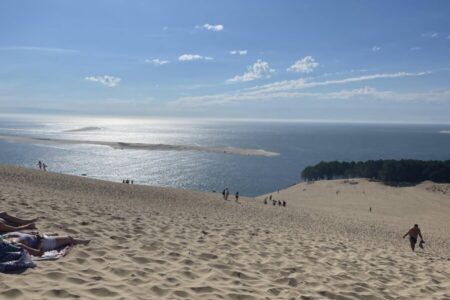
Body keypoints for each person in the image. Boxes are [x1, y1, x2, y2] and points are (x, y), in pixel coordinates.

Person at [3, 232, 90, 257]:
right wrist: (40, 243)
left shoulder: (9, 238)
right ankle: (85, 242)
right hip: (46, 242)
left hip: (41, 237)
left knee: (62, 236)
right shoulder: (19, 245)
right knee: (68, 238)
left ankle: (78, 240)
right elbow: (38, 252)